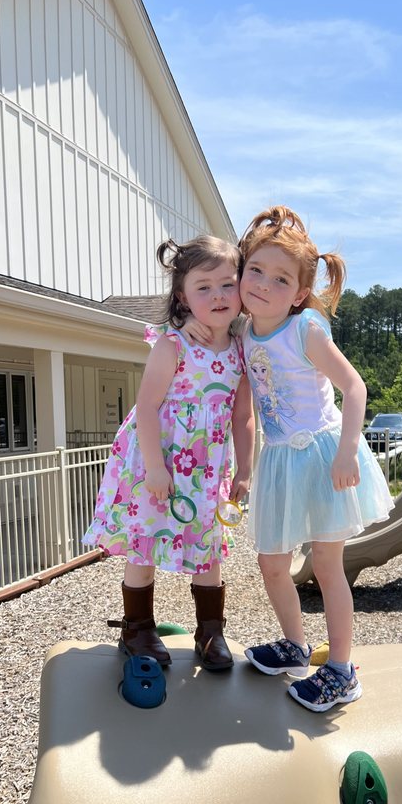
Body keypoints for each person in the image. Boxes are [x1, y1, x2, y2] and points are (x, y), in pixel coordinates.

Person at [185, 208, 393, 710]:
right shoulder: (241, 332)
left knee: (326, 565)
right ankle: (296, 646)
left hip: (323, 456)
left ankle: (342, 669)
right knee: (272, 563)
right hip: (279, 460)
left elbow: (354, 386)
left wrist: (347, 451)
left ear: (298, 294)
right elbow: (209, 326)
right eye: (254, 271)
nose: (262, 285)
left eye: (280, 279)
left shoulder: (306, 331)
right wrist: (193, 324)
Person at [82, 235, 254, 671]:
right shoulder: (171, 344)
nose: (217, 295)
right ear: (183, 296)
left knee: (209, 547)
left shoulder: (241, 349)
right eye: (203, 287)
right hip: (155, 460)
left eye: (226, 285)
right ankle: (137, 629)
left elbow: (242, 417)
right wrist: (157, 469)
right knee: (145, 541)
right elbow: (146, 407)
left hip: (208, 467)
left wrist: (245, 470)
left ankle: (210, 631)